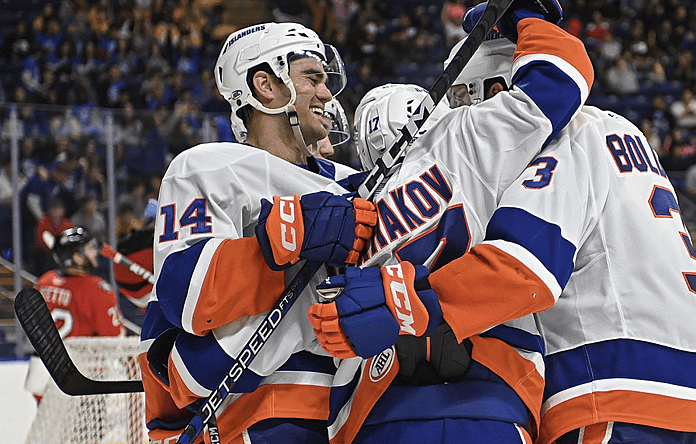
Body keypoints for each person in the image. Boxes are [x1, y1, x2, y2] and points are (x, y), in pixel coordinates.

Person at [311, 8, 696, 444]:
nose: (463, 117)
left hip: (622, 380)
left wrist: (406, 303)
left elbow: (524, 269)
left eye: (465, 98)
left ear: (499, 87)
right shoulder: (623, 128)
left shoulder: (561, 138)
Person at [308, 1, 594, 442]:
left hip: (374, 402)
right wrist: (526, 16)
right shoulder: (466, 136)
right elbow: (562, 78)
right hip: (488, 391)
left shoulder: (347, 196)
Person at [139, 22, 377, 444]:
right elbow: (185, 292)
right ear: (265, 85)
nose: (327, 93)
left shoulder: (352, 184)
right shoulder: (209, 167)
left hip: (352, 414)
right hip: (251, 419)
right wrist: (286, 240)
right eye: (312, 78)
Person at [25, 227, 124, 401]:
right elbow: (114, 336)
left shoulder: (45, 281)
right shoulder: (97, 288)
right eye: (89, 248)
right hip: (84, 375)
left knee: (48, 419)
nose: (94, 252)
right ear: (77, 257)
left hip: (45, 373)